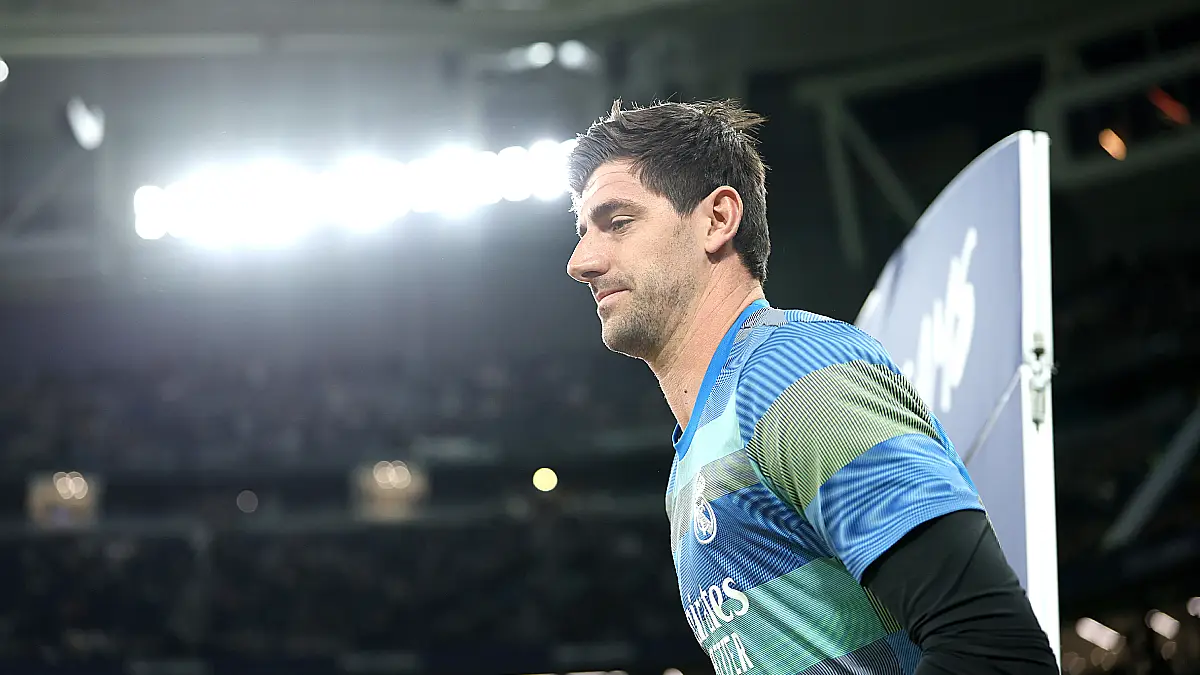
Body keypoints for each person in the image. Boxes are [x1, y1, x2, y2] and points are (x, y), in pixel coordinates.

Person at [564, 99, 1058, 674]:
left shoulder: (792, 375)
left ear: (718, 219)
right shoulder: (694, 456)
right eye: (582, 232)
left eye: (618, 223)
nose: (581, 261)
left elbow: (997, 653)